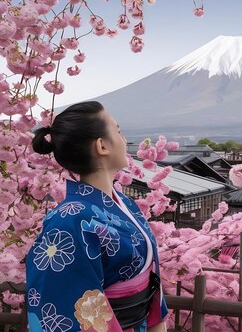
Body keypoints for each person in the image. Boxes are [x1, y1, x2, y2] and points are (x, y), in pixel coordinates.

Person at [26, 101, 167, 332]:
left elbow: (152, 285)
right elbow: (66, 306)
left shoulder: (127, 206)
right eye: (118, 131)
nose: (124, 139)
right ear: (102, 146)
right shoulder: (67, 221)